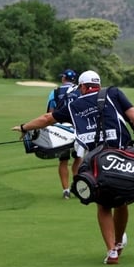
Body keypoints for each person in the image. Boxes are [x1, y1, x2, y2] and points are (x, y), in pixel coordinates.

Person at [13, 70, 134, 265]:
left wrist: (25, 127)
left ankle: (112, 252)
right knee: (121, 200)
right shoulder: (114, 93)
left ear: (82, 87)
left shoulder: (74, 105)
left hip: (96, 160)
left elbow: (46, 118)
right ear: (98, 85)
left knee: (103, 205)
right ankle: (118, 243)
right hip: (121, 155)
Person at [46, 69, 80, 198]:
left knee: (63, 160)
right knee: (78, 158)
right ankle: (77, 187)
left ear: (64, 78)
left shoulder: (55, 92)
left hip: (61, 130)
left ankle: (66, 190)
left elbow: (50, 112)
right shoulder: (79, 91)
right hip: (77, 129)